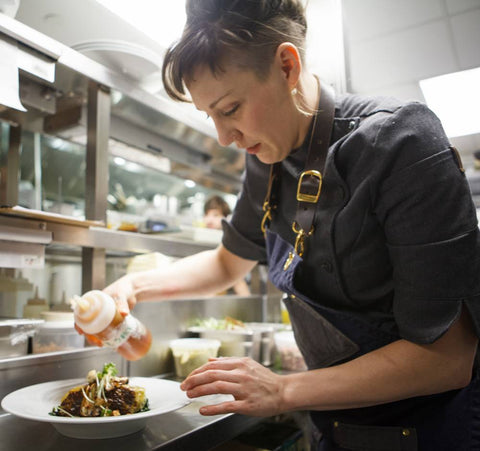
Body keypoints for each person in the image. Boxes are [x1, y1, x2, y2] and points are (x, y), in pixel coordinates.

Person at [103, 1, 480, 449]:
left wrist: (282, 390)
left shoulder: (400, 143)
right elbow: (228, 265)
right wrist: (134, 287)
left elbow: (447, 358)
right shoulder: (266, 160)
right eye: (211, 117)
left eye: (230, 108)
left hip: (430, 430)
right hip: (336, 423)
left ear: (286, 65)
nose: (225, 137)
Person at [203, 195, 251, 296]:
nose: (209, 220)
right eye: (206, 215)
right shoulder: (202, 239)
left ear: (226, 217)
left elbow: (238, 281)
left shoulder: (232, 240)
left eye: (215, 215)